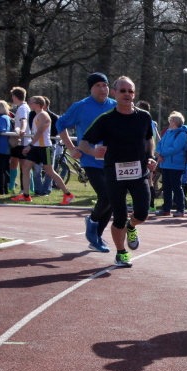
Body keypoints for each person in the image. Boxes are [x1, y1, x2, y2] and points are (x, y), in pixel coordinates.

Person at [79, 76, 157, 268]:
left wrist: (150, 157)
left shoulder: (144, 117)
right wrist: (93, 151)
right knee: (119, 216)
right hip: (114, 174)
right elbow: (83, 143)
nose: (127, 94)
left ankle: (132, 226)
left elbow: (149, 138)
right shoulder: (106, 119)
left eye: (130, 91)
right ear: (114, 93)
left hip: (139, 172)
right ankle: (121, 253)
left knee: (142, 213)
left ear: (134, 94)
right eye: (123, 91)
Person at [57, 72, 118, 253]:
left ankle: (96, 237)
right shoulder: (81, 106)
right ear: (91, 88)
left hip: (112, 160)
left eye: (105, 85)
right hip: (90, 159)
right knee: (106, 196)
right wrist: (72, 148)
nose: (102, 89)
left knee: (113, 200)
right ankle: (92, 222)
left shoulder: (115, 105)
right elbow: (60, 124)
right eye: (98, 85)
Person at [12, 96, 74, 204]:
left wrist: (30, 145)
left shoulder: (43, 115)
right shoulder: (36, 115)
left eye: (32, 102)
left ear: (37, 104)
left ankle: (68, 194)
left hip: (45, 147)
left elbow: (40, 132)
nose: (30, 104)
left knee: (50, 171)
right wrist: (32, 146)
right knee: (26, 167)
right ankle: (26, 195)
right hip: (36, 147)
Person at [155, 111, 187, 217]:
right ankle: (166, 209)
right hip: (165, 163)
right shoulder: (168, 132)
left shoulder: (182, 134)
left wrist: (161, 153)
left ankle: (180, 209)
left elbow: (176, 148)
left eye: (170, 120)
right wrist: (158, 153)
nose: (169, 122)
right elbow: (160, 143)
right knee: (166, 187)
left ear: (175, 122)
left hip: (176, 164)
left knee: (176, 187)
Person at [9, 87, 31, 194]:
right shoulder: (22, 107)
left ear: (15, 96)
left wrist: (22, 130)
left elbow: (24, 121)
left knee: (24, 166)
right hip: (20, 141)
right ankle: (12, 187)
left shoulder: (22, 108)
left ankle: (25, 189)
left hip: (23, 141)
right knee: (16, 163)